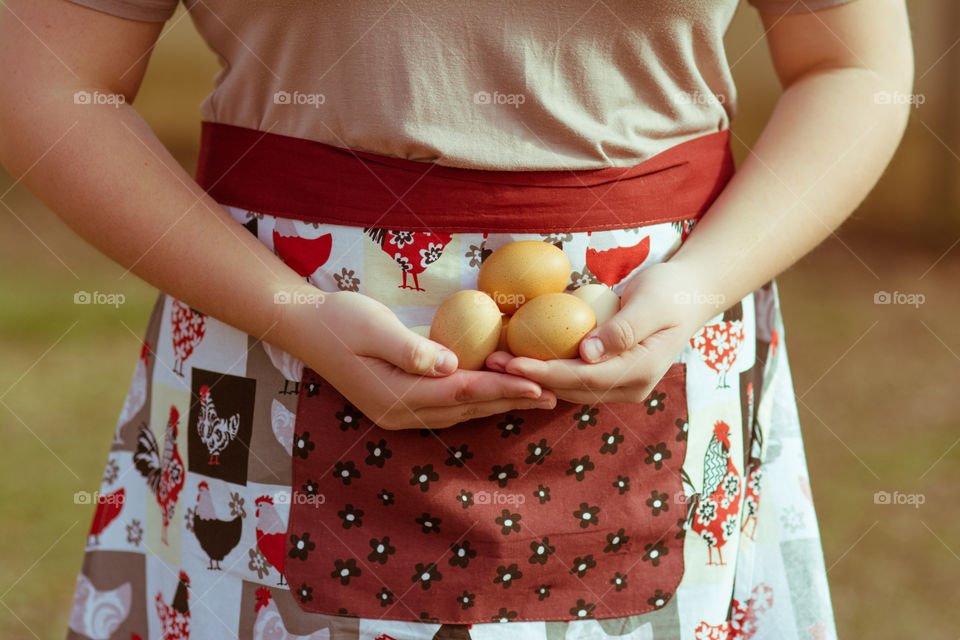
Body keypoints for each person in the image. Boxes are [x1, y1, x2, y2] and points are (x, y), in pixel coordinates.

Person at [0, 0, 912, 638]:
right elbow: (49, 73)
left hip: (661, 337)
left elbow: (853, 62)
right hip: (273, 347)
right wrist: (294, 313)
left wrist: (698, 288)